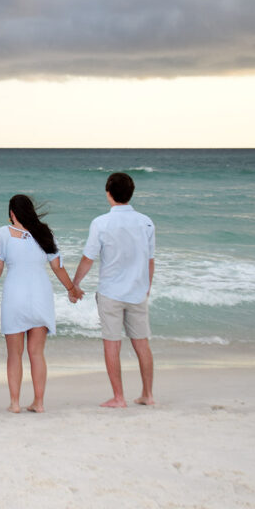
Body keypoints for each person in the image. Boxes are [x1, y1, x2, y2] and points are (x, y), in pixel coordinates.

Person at [0, 195, 82, 413]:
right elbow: (58, 267)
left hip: (15, 296)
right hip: (41, 296)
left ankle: (15, 403)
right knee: (36, 353)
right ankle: (39, 402)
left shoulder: (3, 233)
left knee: (14, 354)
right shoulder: (44, 233)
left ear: (11, 213)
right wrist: (72, 289)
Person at [72, 172, 156, 408]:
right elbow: (151, 260)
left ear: (108, 193)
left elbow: (88, 258)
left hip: (111, 293)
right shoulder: (146, 222)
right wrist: (146, 288)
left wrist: (75, 284)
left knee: (112, 344)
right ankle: (147, 395)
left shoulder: (101, 223)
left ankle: (119, 397)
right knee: (142, 344)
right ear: (131, 193)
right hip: (138, 292)